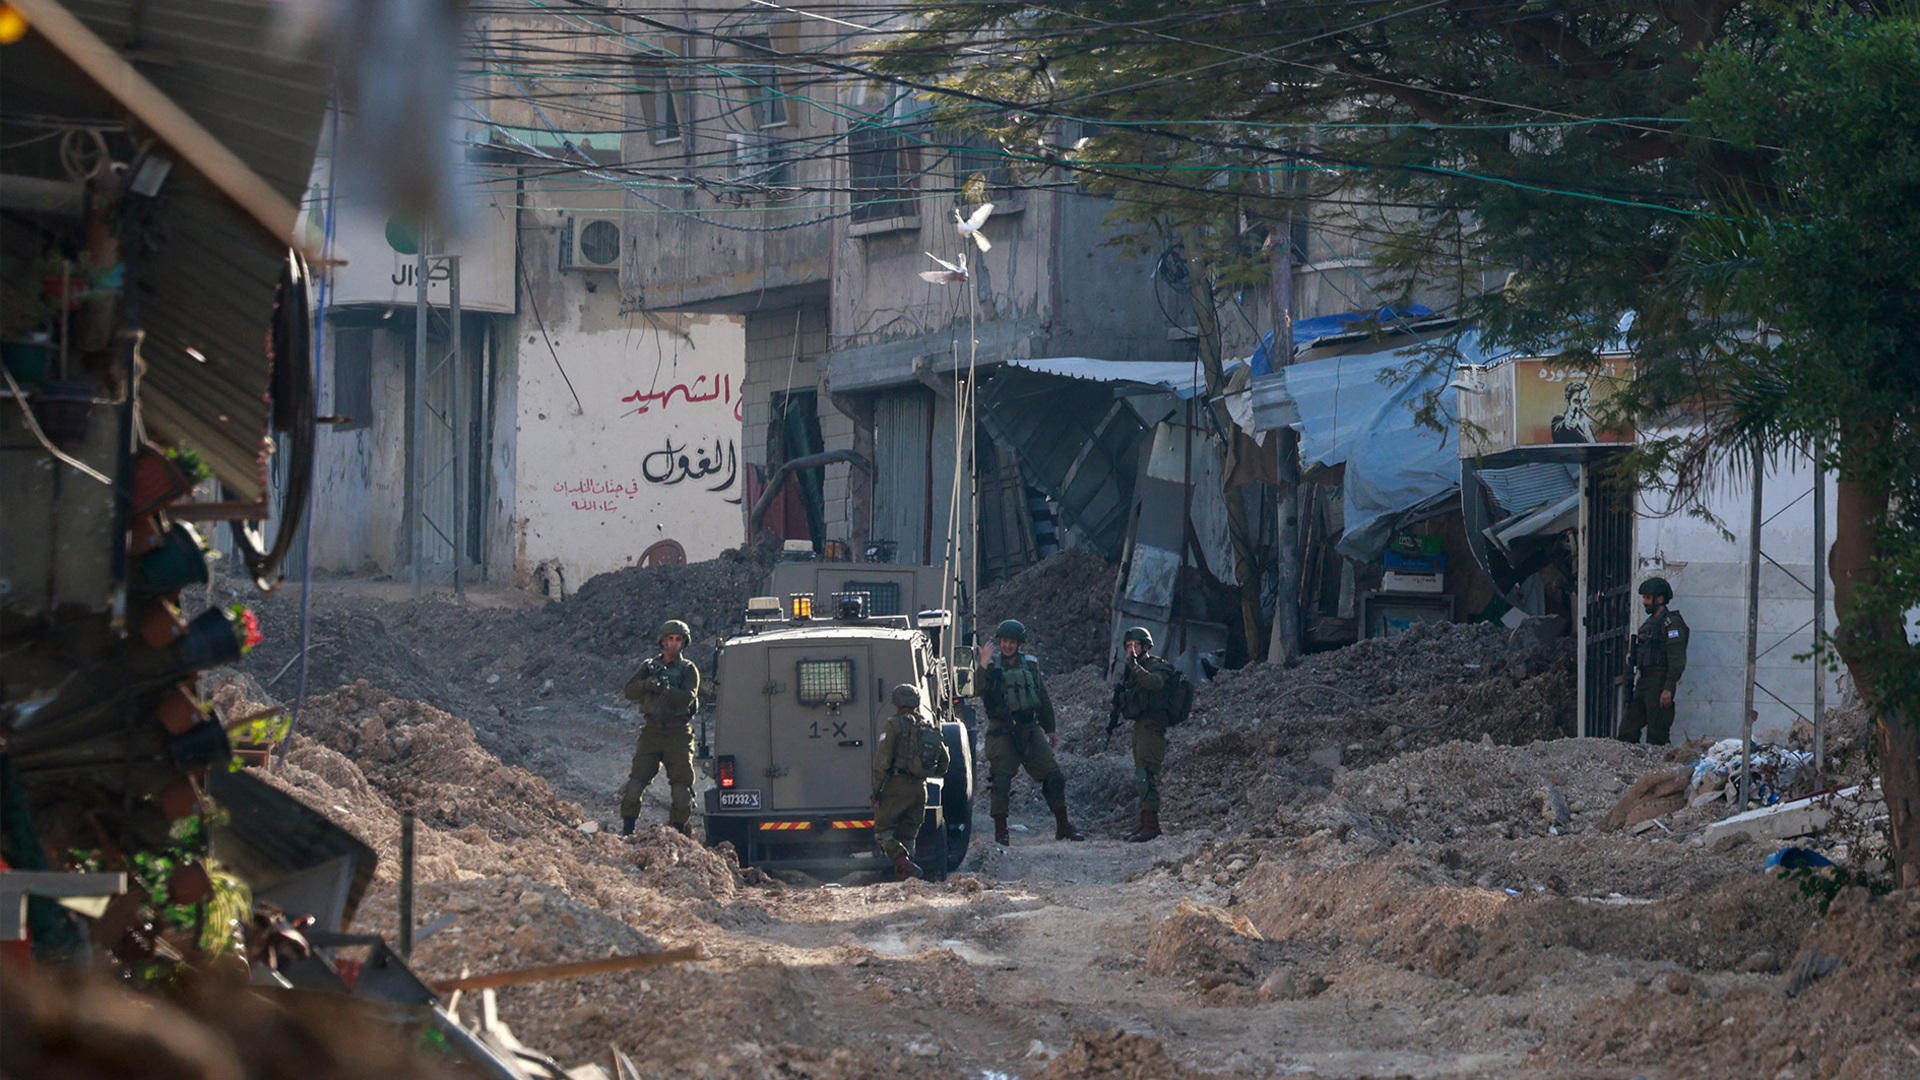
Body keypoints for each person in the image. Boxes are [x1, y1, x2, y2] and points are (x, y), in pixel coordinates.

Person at [974, 619, 1085, 845]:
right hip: (1002, 730)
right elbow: (978, 690)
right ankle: (1001, 830)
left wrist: (1050, 728)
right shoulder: (992, 665)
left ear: (1019, 643)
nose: (1007, 646)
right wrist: (983, 664)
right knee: (1001, 781)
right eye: (1004, 641)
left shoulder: (1030, 664)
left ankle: (1063, 825)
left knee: (1054, 777)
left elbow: (1041, 696)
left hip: (1029, 727)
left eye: (1011, 642)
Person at [619, 619, 701, 836]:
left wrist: (667, 688)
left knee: (682, 791)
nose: (674, 644)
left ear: (684, 643)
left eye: (678, 640)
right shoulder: (649, 666)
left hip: (678, 733)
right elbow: (629, 691)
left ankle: (677, 833)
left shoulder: (688, 669)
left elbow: (687, 698)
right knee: (634, 786)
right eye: (670, 639)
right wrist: (648, 684)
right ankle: (627, 831)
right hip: (652, 731)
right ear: (663, 642)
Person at [871, 683, 951, 881]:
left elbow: (882, 761)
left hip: (896, 786)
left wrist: (877, 790)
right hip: (920, 788)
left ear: (896, 704)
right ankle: (906, 881)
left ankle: (904, 864)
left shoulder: (893, 725)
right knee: (908, 836)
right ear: (916, 704)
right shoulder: (927, 727)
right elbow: (944, 762)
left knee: (883, 833)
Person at [1114, 627, 1177, 843]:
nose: (1131, 650)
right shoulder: (1133, 669)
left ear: (1146, 647)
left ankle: (1152, 825)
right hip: (1141, 726)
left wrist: (1135, 666)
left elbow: (1155, 683)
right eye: (1128, 646)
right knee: (1140, 775)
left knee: (1146, 775)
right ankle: (1144, 823)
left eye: (1135, 645)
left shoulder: (1157, 666)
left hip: (1153, 727)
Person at [1619, 578, 1688, 746]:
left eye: (1648, 598)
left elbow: (1677, 658)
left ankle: (1659, 769)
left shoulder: (1671, 624)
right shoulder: (1648, 624)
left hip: (1660, 682)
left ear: (1660, 599)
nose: (1644, 602)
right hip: (1644, 682)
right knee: (1627, 730)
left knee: (1657, 733)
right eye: (1644, 598)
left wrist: (1668, 688)